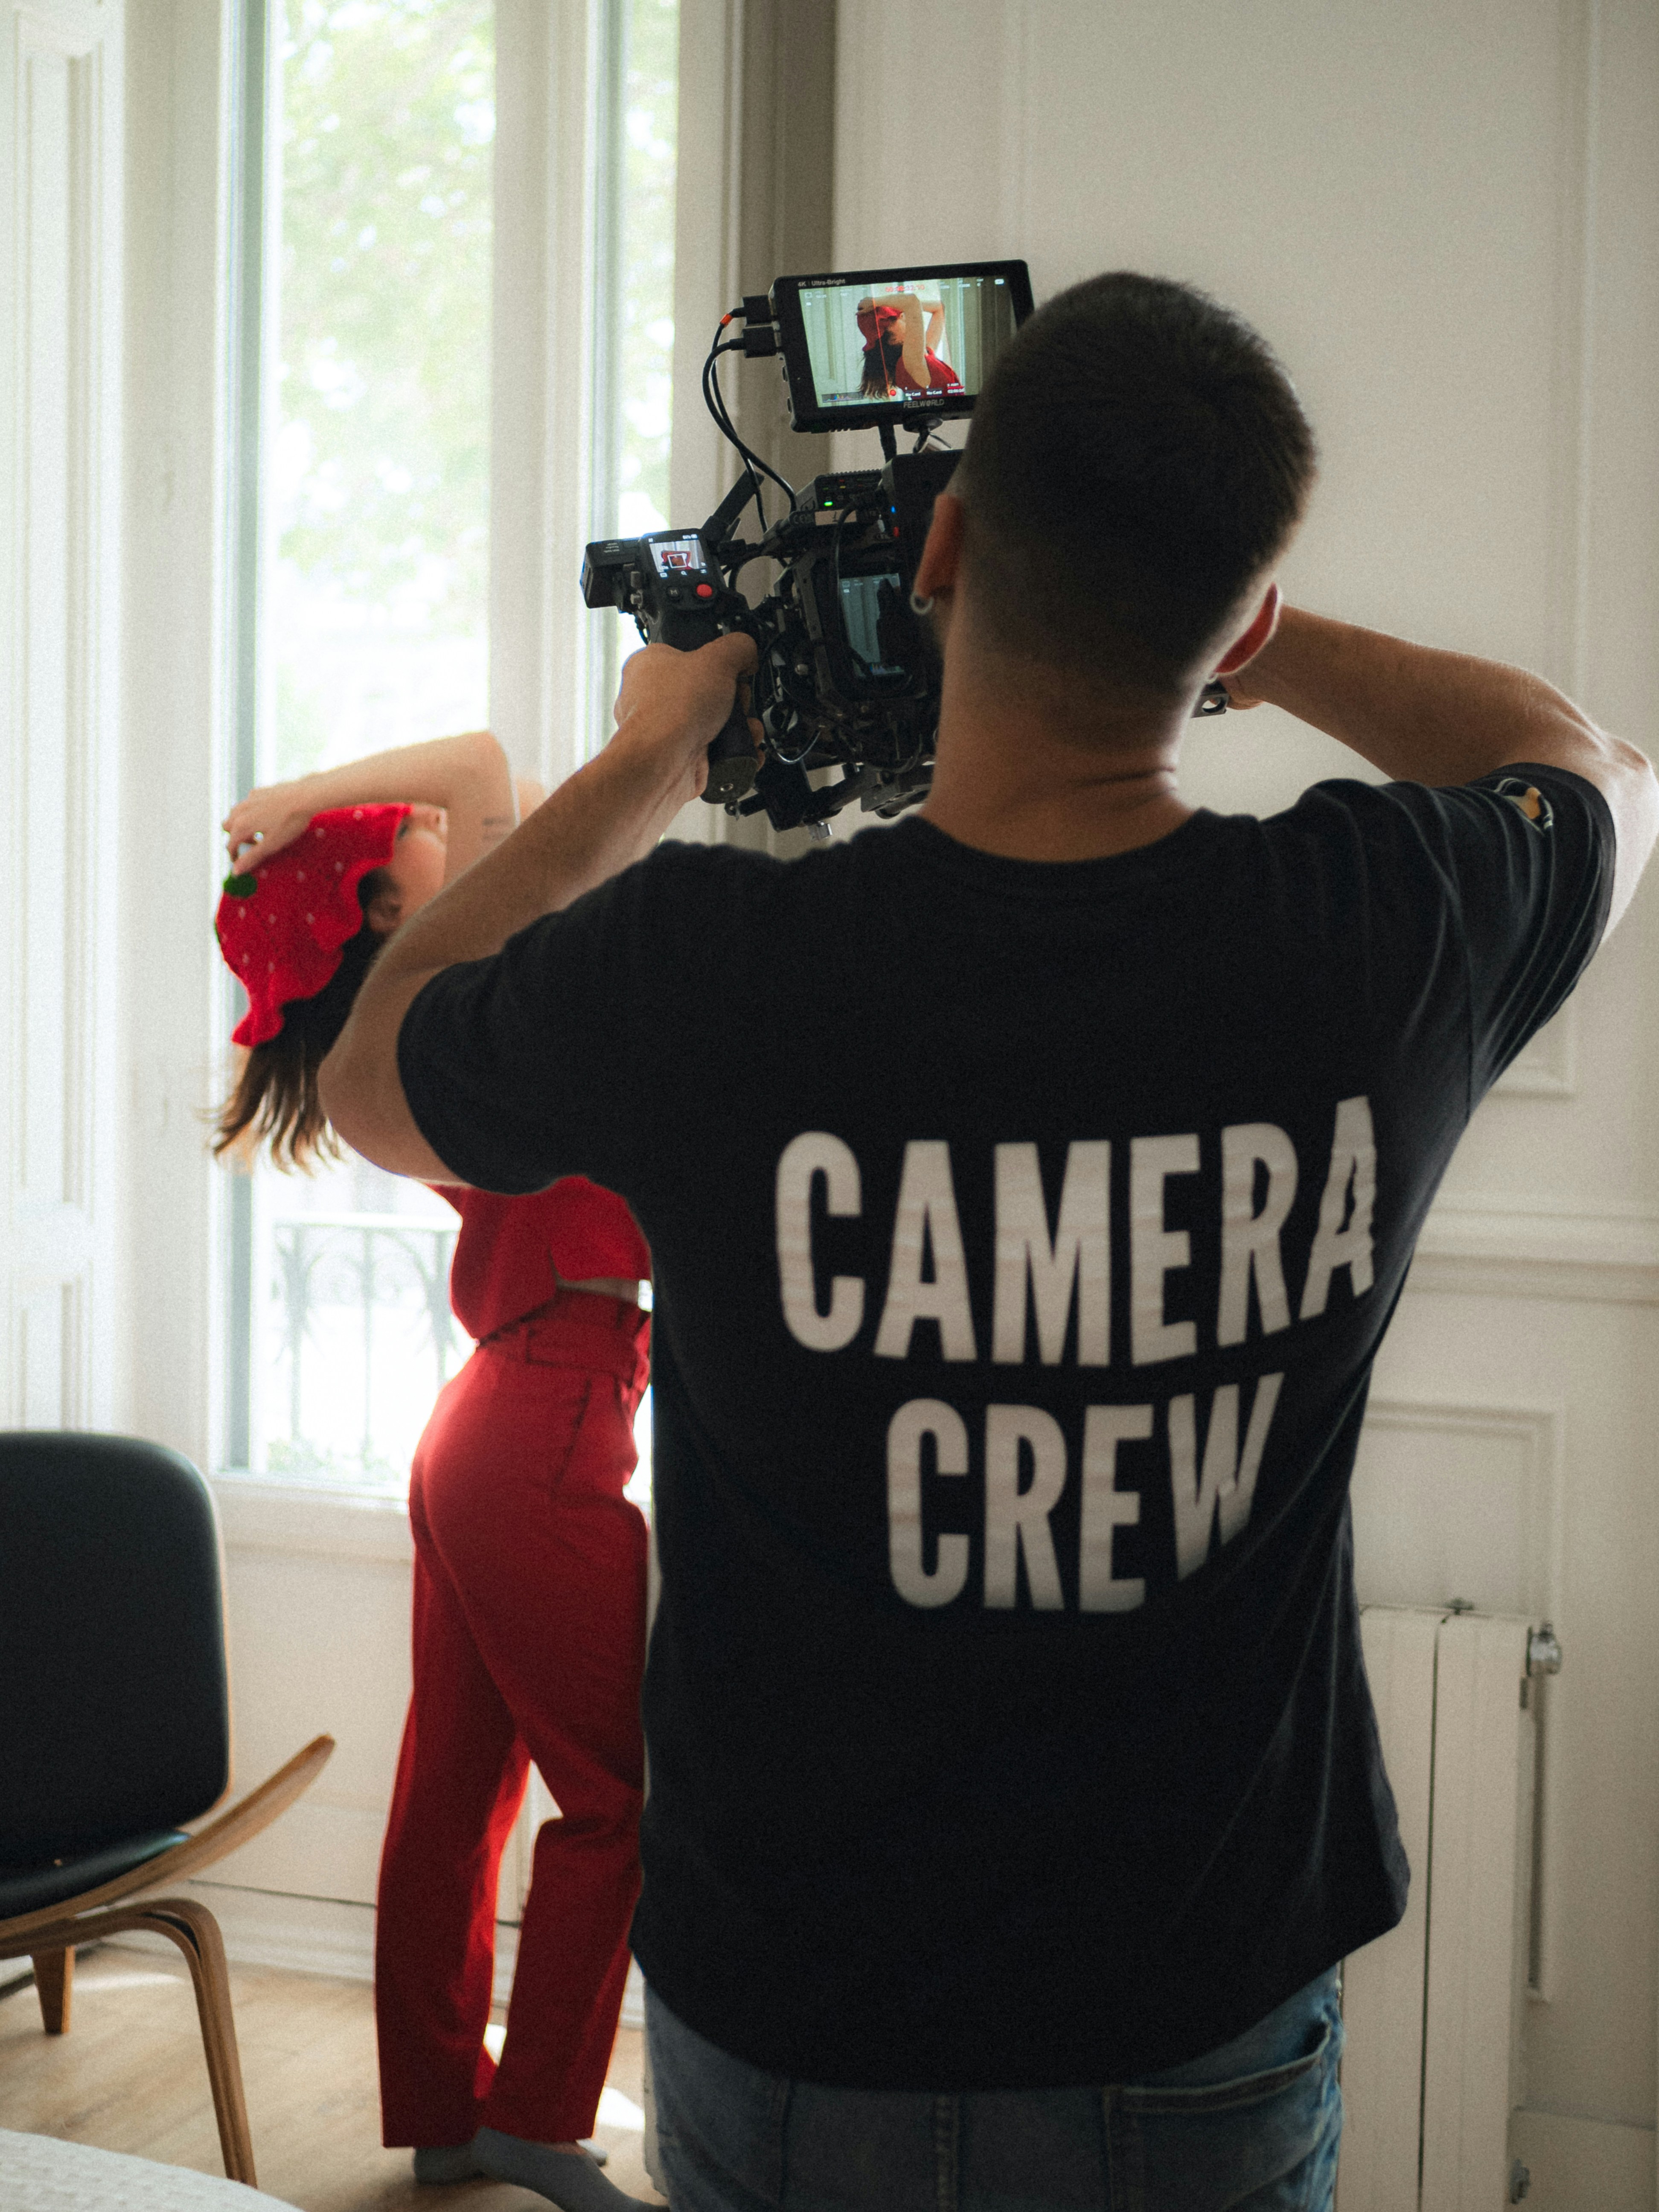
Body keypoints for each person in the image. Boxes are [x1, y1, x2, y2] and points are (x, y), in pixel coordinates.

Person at [317, 273, 1659, 2212]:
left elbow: (371, 1081)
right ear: (1232, 611)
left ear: (942, 548)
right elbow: (1589, 765)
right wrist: (1248, 630)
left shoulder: (702, 970)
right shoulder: (1377, 938)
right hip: (1191, 2009)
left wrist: (655, 755)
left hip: (793, 2020)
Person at [213, 731, 654, 2212]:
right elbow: (479, 759)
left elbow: (484, 786)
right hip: (533, 1424)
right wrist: (284, 808)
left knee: (458, 1785)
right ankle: (535, 2113)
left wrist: (304, 817)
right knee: (613, 1798)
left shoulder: (421, 1030)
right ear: (386, 910)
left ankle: (450, 2110)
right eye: (390, 842)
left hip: (488, 1422)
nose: (424, 827)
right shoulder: (454, 1008)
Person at [857, 290, 964, 396]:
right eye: (894, 318)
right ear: (891, 340)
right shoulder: (908, 363)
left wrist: (892, 306)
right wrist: (875, 302)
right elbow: (912, 302)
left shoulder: (921, 357)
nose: (903, 315)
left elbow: (939, 308)